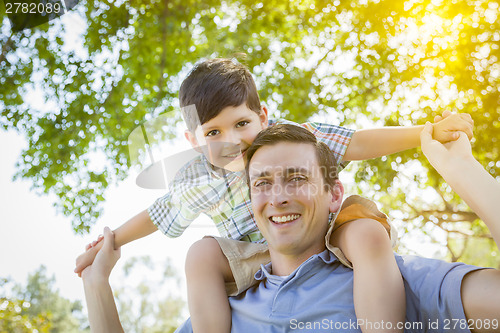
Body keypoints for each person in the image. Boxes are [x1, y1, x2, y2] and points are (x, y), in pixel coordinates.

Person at [75, 58, 474, 333]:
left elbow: (357, 142)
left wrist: (425, 133)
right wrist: (108, 243)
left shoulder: (295, 139)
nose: (230, 141)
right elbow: (156, 214)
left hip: (326, 229)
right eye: (213, 132)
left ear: (263, 117)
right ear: (194, 142)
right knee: (201, 254)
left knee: (367, 233)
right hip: (258, 255)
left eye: (241, 123)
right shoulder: (200, 178)